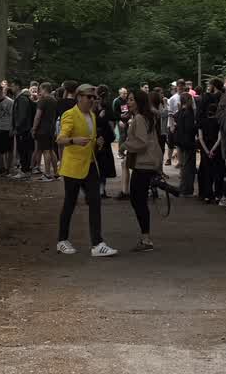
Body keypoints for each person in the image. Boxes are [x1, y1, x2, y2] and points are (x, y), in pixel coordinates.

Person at [55, 84, 118, 257]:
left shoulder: (92, 115)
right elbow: (60, 139)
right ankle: (62, 240)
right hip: (73, 167)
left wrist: (97, 142)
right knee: (70, 203)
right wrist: (73, 140)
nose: (92, 100)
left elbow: (91, 139)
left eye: (94, 97)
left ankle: (97, 244)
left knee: (95, 202)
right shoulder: (70, 114)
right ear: (79, 97)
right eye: (89, 97)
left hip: (90, 165)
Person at [121, 87, 161, 251]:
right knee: (139, 201)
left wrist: (125, 145)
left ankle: (146, 239)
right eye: (128, 99)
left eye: (131, 99)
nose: (128, 102)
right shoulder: (146, 117)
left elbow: (142, 142)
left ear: (139, 102)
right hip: (148, 163)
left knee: (138, 201)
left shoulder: (139, 118)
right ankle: (145, 237)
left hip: (143, 164)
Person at [195, 88, 222, 204]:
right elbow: (220, 138)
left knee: (206, 172)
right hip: (216, 149)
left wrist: (206, 151)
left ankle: (207, 195)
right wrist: (213, 150)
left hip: (205, 149)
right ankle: (218, 195)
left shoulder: (202, 122)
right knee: (217, 172)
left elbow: (200, 138)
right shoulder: (219, 122)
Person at [171, 88, 197, 197]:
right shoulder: (189, 113)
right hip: (188, 142)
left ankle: (183, 187)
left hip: (180, 141)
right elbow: (190, 128)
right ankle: (187, 189)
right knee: (189, 166)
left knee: (184, 165)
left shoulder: (180, 112)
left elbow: (175, 118)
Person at [33, 81, 61, 180]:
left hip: (42, 129)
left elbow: (38, 116)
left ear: (44, 89)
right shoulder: (54, 100)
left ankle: (47, 174)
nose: (39, 91)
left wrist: (34, 128)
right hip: (51, 128)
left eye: (40, 89)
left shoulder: (43, 100)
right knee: (51, 150)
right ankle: (56, 172)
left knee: (45, 151)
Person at [95, 85, 119, 197]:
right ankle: (102, 189)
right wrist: (111, 134)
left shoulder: (94, 105)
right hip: (105, 138)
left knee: (97, 164)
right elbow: (112, 122)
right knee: (103, 165)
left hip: (97, 137)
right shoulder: (107, 106)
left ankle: (98, 189)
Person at [12, 81, 38, 176]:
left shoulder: (22, 99)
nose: (11, 88)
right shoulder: (22, 98)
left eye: (13, 86)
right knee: (23, 149)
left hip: (23, 129)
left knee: (23, 150)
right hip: (23, 128)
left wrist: (17, 127)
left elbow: (22, 115)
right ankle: (25, 169)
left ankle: (24, 170)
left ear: (18, 86)